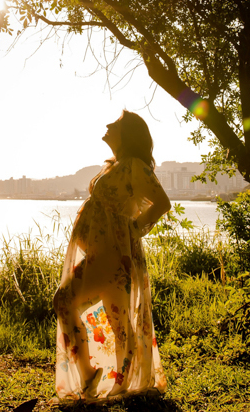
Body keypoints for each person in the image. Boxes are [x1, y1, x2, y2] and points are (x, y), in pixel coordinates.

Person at [52, 110, 171, 403]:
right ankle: (111, 377)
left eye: (115, 124)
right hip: (101, 251)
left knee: (67, 301)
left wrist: (133, 229)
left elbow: (162, 203)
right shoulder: (113, 166)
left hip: (112, 253)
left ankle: (107, 376)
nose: (107, 125)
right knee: (117, 318)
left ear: (128, 134)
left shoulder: (134, 166)